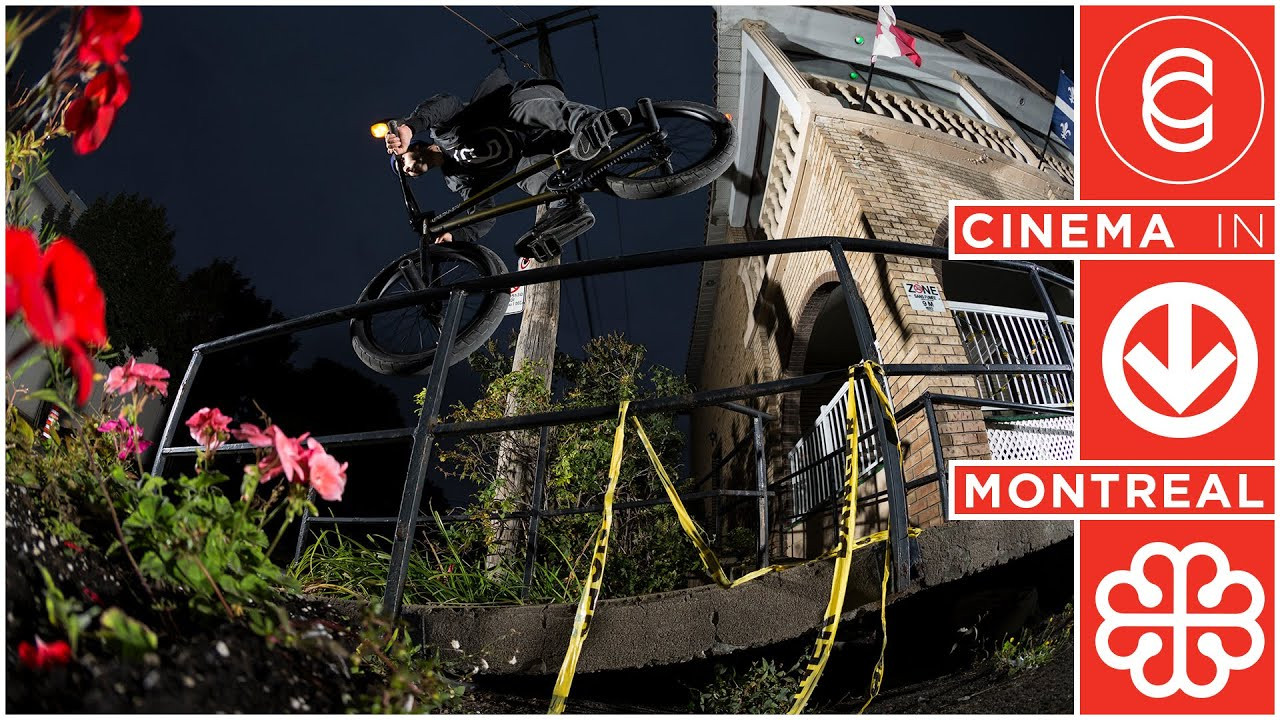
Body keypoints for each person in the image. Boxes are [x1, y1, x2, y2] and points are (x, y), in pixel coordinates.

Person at [384, 66, 631, 261]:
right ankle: (567, 209)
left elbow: (446, 103)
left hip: (523, 102)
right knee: (525, 175)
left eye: (402, 162)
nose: (406, 170)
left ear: (415, 148)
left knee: (514, 113)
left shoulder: (443, 132)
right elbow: (482, 213)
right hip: (535, 145)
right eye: (404, 173)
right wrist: (455, 235)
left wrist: (409, 126)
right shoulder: (458, 178)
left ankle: (589, 121)